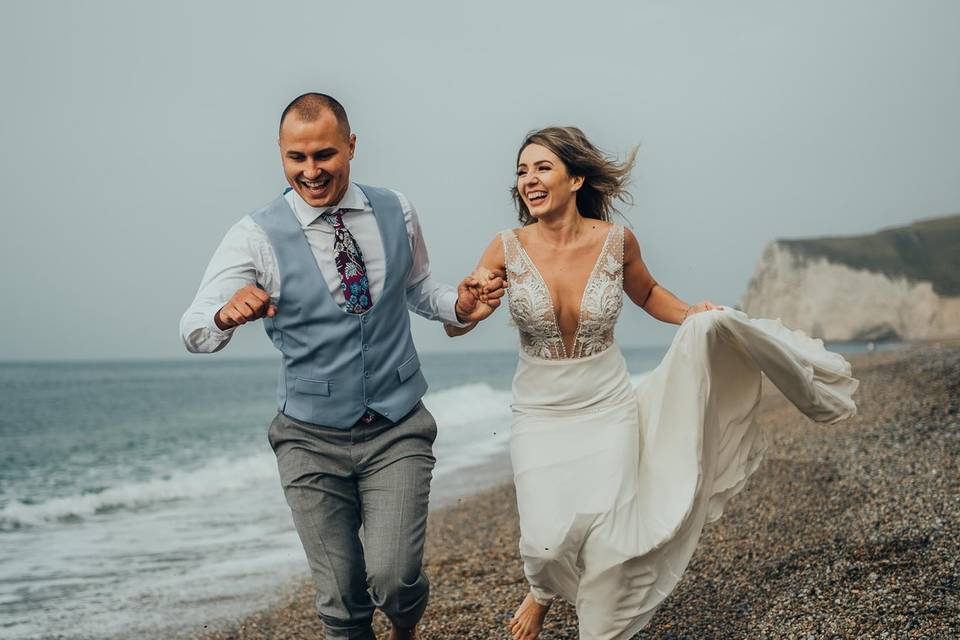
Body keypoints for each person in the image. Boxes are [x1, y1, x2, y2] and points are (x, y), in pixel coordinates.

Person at [448, 126, 859, 639]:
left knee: (610, 536)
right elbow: (460, 319)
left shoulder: (616, 242)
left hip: (606, 404)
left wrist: (693, 313)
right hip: (540, 410)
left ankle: (599, 628)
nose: (529, 179)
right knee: (544, 541)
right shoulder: (506, 247)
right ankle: (542, 590)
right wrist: (469, 304)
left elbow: (648, 294)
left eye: (542, 168)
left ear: (576, 178)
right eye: (522, 171)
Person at [180, 93, 504, 640]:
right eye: (296, 158)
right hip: (308, 440)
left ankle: (404, 626)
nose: (311, 171)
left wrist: (462, 305)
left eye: (324, 155)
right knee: (341, 604)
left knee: (395, 579)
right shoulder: (254, 236)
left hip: (397, 426)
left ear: (352, 146)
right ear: (281, 156)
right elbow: (193, 329)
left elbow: (420, 288)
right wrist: (224, 313)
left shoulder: (395, 209)